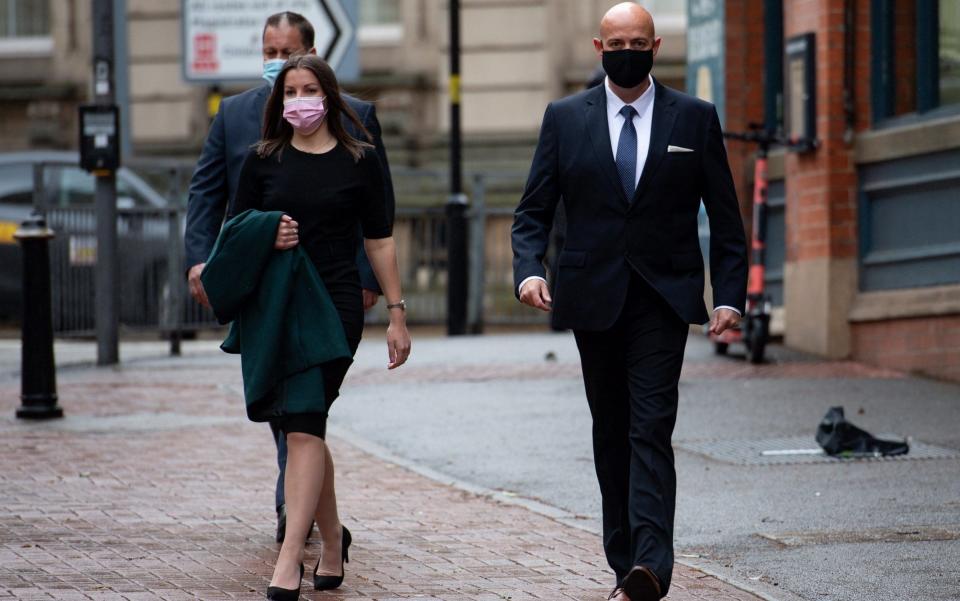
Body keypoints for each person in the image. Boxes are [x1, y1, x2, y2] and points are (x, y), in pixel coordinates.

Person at [511, 4, 747, 600]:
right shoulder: (564, 118)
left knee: (651, 427)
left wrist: (732, 298)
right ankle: (625, 563)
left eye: (637, 41)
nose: (626, 50)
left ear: (656, 46)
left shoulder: (693, 119)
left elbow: (725, 219)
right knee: (611, 432)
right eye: (616, 41)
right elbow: (532, 210)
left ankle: (650, 567)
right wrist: (527, 272)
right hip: (592, 298)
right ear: (598, 46)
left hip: (663, 299)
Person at [183, 11, 396, 543]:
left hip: (332, 286)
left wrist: (378, 286)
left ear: (312, 54)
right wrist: (203, 261)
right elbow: (211, 195)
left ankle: (291, 523)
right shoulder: (235, 117)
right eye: (269, 53)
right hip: (267, 288)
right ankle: (329, 537)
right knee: (294, 414)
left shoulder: (356, 117)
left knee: (303, 414)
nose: (277, 66)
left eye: (287, 54)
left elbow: (376, 217)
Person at [225, 54, 411, 599]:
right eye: (289, 92)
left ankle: (289, 560)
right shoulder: (263, 159)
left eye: (308, 89)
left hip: (336, 303)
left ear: (328, 96)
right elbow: (234, 232)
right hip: (279, 303)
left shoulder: (361, 160)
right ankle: (332, 541)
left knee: (305, 422)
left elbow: (379, 238)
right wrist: (268, 234)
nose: (298, 101)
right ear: (278, 102)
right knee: (305, 423)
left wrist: (397, 314)